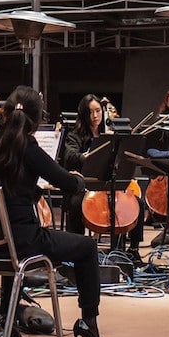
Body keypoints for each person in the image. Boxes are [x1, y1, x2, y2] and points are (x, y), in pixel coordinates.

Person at [0, 86, 111, 337]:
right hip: (22, 243)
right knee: (87, 247)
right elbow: (66, 183)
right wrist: (78, 181)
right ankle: (89, 325)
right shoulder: (27, 147)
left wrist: (29, 190)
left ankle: (8, 323)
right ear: (34, 120)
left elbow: (0, 187)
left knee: (7, 232)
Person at [56, 94, 106, 235]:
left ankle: (131, 249)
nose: (95, 115)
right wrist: (85, 157)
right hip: (83, 185)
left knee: (137, 203)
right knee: (76, 204)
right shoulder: (75, 135)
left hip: (104, 185)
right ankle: (77, 244)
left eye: (98, 111)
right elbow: (70, 156)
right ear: (84, 114)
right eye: (90, 112)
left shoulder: (107, 133)